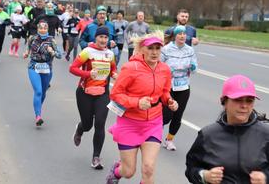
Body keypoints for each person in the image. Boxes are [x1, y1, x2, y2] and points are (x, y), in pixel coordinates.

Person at [106, 31, 178, 184]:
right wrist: (137, 103)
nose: (154, 52)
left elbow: (164, 92)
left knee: (148, 168)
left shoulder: (165, 69)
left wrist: (170, 101)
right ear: (142, 49)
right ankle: (117, 171)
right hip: (129, 123)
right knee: (129, 171)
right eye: (150, 48)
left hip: (153, 123)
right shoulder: (131, 68)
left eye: (158, 48)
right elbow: (115, 94)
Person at [185, 74, 269, 184]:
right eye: (238, 100)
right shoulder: (208, 135)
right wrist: (205, 176)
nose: (244, 105)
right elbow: (191, 169)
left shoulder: (265, 134)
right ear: (224, 102)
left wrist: (265, 178)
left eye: (249, 100)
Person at [70, 26, 117, 170]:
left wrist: (115, 75)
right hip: (85, 93)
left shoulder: (110, 54)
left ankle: (96, 157)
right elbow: (72, 68)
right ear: (95, 38)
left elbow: (113, 70)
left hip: (102, 94)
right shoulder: (87, 52)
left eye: (105, 37)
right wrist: (88, 74)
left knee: (100, 124)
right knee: (88, 125)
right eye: (101, 37)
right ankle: (80, 128)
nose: (103, 40)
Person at [161, 25, 197, 150]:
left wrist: (193, 67)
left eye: (184, 33)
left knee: (178, 115)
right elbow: (159, 66)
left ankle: (169, 140)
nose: (182, 36)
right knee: (166, 115)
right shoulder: (166, 49)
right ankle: (153, 133)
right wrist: (167, 70)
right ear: (175, 36)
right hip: (168, 86)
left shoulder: (189, 50)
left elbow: (195, 68)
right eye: (179, 33)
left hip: (183, 86)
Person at [23, 21, 61, 126]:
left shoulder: (52, 40)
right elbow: (28, 49)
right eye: (41, 28)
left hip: (47, 68)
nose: (42, 30)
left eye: (45, 28)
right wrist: (26, 53)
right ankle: (38, 116)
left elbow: (59, 55)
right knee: (38, 92)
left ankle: (38, 107)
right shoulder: (32, 38)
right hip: (33, 67)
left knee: (43, 93)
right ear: (38, 29)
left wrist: (51, 51)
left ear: (47, 29)